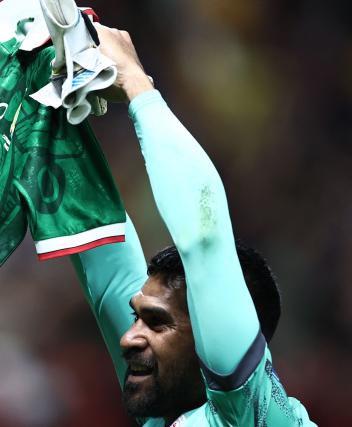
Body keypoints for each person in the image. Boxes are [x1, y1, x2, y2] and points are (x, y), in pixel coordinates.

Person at [70, 24, 316, 426]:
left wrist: (135, 82)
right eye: (138, 318)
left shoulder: (257, 417)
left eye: (156, 322)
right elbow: (100, 250)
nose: (128, 338)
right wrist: (50, 112)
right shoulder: (164, 413)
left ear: (211, 335)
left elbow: (205, 239)